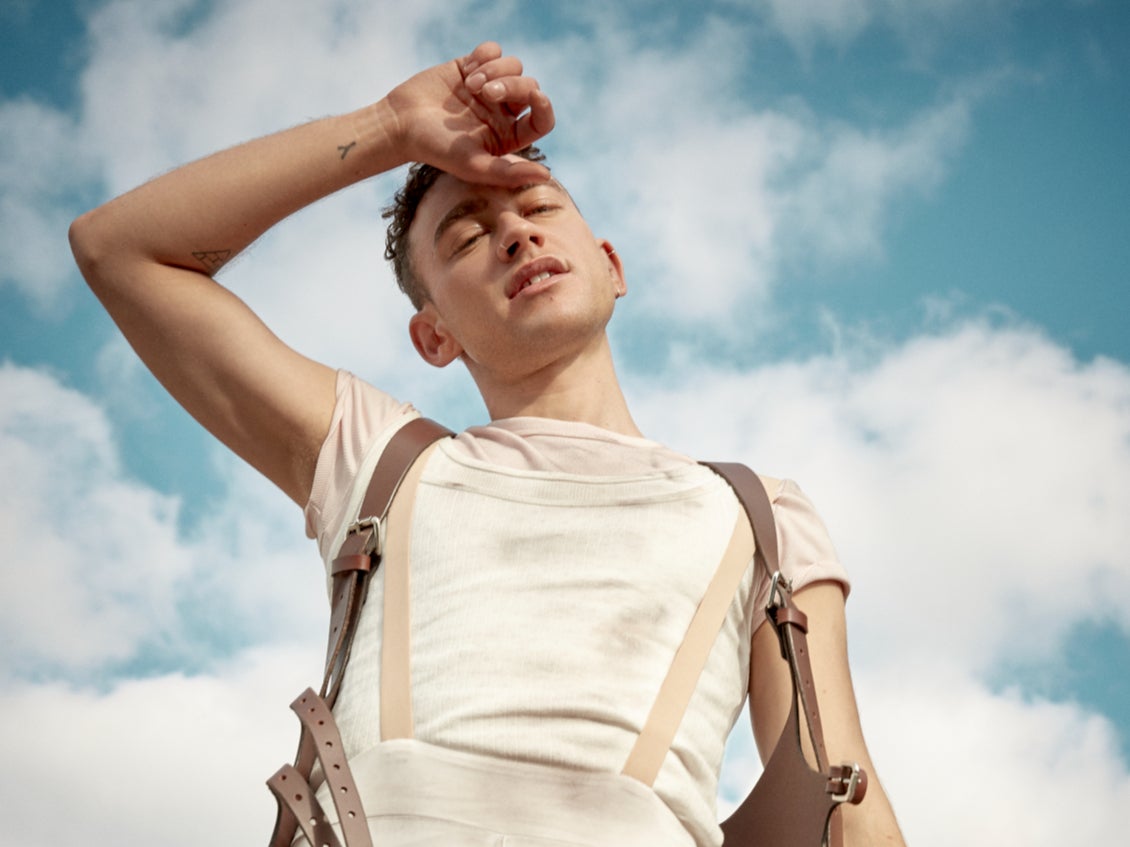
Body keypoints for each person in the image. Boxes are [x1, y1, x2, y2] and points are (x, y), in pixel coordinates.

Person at [70, 42, 905, 847]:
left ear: (611, 264)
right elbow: (120, 248)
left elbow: (847, 796)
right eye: (467, 236)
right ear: (432, 335)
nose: (516, 234)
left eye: (540, 208)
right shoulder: (383, 464)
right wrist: (393, 124)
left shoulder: (759, 513)